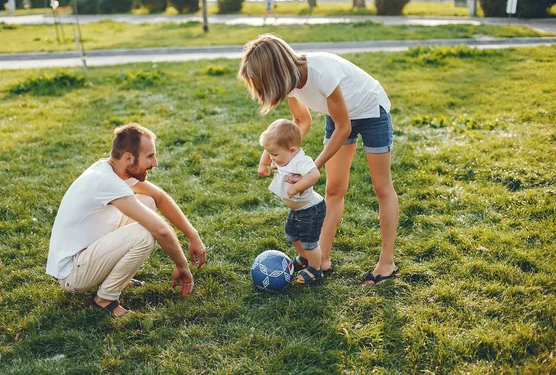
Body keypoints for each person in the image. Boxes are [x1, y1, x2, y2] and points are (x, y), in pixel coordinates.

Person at [238, 34, 399, 286]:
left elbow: (343, 127)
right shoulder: (290, 82)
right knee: (334, 189)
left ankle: (387, 262)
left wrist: (313, 166)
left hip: (370, 111)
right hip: (338, 116)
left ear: (275, 71)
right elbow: (302, 121)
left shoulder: (320, 71)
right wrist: (278, 155)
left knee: (381, 187)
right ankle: (322, 258)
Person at [46, 123, 207, 317]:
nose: (155, 163)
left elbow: (160, 198)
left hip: (86, 255)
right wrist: (182, 265)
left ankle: (115, 278)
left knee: (147, 201)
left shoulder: (115, 168)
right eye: (150, 156)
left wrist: (193, 235)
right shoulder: (106, 180)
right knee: (145, 234)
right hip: (73, 274)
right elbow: (161, 231)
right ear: (128, 158)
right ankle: (104, 300)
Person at [259, 119, 327, 284]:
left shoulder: (301, 161)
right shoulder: (282, 155)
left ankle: (315, 269)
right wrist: (263, 164)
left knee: (309, 242)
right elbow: (268, 151)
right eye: (270, 154)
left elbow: (314, 175)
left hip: (311, 210)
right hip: (297, 210)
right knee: (292, 235)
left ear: (292, 150)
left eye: (275, 155)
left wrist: (296, 188)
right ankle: (304, 258)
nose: (272, 158)